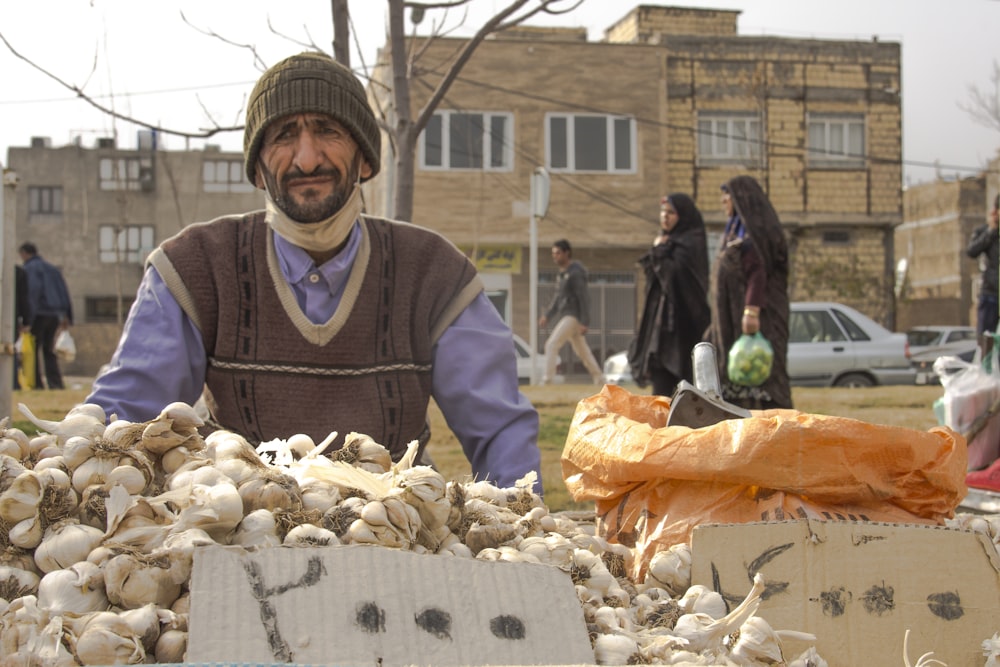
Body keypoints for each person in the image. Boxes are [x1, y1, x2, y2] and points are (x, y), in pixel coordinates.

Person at [86, 51, 542, 492]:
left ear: (365, 159)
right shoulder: (195, 267)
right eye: (283, 135)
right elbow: (123, 418)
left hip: (400, 535)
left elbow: (500, 430)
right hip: (243, 536)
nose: (306, 158)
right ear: (259, 169)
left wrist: (518, 523)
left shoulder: (432, 272)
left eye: (327, 131)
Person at [706, 175, 792, 410]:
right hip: (730, 318)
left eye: (728, 195)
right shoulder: (734, 229)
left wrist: (751, 311)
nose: (723, 201)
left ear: (741, 199)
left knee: (761, 376)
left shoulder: (755, 234)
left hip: (757, 319)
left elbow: (758, 272)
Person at [627, 194, 711, 396]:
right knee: (660, 392)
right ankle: (661, 427)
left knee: (688, 391)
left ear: (683, 215)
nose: (665, 217)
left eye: (671, 212)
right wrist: (658, 251)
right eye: (663, 212)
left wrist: (659, 252)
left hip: (685, 326)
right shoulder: (666, 242)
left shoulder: (692, 242)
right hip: (661, 328)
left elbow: (675, 278)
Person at [538, 239, 605, 385]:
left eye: (558, 253)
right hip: (568, 315)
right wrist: (547, 315)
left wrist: (584, 321)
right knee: (583, 352)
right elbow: (557, 298)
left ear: (566, 253)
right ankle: (599, 378)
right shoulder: (562, 274)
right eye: (553, 253)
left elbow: (584, 297)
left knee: (552, 344)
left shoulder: (576, 273)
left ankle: (547, 380)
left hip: (573, 317)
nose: (555, 256)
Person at [18, 242, 72, 390]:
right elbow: (63, 292)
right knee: (49, 350)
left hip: (39, 314)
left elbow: (32, 294)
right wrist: (66, 315)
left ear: (24, 253)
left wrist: (27, 319)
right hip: (55, 315)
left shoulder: (29, 269)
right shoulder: (52, 269)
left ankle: (37, 384)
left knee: (34, 350)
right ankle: (55, 383)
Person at [966, 193, 1000, 351]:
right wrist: (991, 230)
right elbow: (972, 251)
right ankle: (985, 373)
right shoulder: (986, 231)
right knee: (985, 342)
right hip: (991, 294)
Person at [13, 264, 31, 389]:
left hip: (10, 318)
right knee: (9, 350)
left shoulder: (17, 272)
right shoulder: (17, 271)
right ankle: (13, 383)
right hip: (11, 317)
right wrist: (26, 320)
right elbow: (24, 298)